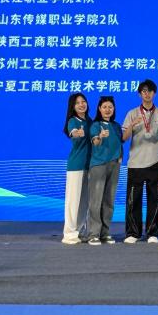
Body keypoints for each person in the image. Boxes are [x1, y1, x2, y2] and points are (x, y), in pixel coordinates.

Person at [122, 80, 158, 244]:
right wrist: (131, 126)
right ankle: (133, 233)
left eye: (150, 91)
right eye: (143, 91)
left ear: (154, 93)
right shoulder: (132, 113)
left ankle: (152, 233)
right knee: (133, 199)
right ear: (139, 94)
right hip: (135, 162)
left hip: (155, 161)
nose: (147, 94)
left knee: (155, 198)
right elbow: (124, 137)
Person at [86, 96, 121, 245]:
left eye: (110, 107)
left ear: (114, 109)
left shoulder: (116, 126)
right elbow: (95, 141)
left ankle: (105, 233)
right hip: (99, 165)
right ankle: (93, 234)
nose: (107, 110)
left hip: (114, 166)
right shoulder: (95, 125)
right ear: (99, 109)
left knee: (109, 201)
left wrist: (120, 157)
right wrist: (100, 136)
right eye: (105, 107)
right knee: (96, 200)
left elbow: (120, 142)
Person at [62, 93, 92, 245]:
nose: (81, 105)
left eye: (83, 101)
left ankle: (79, 231)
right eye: (77, 103)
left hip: (89, 166)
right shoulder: (73, 121)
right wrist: (76, 133)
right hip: (76, 166)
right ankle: (69, 234)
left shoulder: (90, 121)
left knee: (84, 202)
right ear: (72, 107)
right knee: (73, 201)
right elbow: (73, 132)